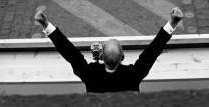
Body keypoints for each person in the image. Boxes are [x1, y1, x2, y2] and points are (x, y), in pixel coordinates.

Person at [34, 6, 184, 93]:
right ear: (123, 57)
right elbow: (152, 51)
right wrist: (173, 22)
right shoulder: (133, 75)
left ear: (100, 56)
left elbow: (69, 52)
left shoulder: (90, 74)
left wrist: (46, 24)